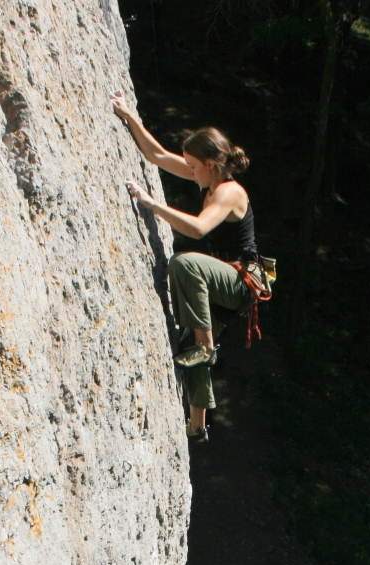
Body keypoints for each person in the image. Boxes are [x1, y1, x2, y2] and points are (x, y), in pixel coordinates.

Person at [110, 91, 259, 445]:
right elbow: (157, 155)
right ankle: (197, 425)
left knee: (185, 262)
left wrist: (150, 203)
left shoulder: (228, 192)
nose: (189, 171)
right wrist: (130, 116)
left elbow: (198, 229)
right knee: (188, 343)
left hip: (240, 280)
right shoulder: (208, 176)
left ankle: (205, 346)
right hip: (221, 280)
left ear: (210, 163)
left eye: (193, 166)